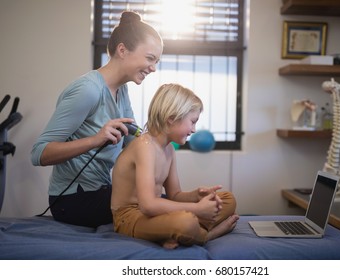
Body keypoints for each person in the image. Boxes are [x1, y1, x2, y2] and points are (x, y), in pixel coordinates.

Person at [31, 11, 163, 228]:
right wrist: (95, 139)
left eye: (156, 61)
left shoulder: (122, 91)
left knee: (162, 202)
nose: (153, 68)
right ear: (122, 50)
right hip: (72, 201)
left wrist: (161, 137)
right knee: (160, 207)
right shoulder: (88, 90)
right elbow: (38, 154)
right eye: (150, 58)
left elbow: (133, 139)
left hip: (102, 190)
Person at [111, 83, 239, 249]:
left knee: (227, 199)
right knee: (185, 221)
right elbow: (148, 205)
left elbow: (174, 194)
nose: (193, 130)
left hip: (154, 212)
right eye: (192, 122)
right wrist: (197, 209)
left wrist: (197, 195)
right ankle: (206, 235)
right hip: (130, 217)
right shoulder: (144, 146)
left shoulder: (169, 149)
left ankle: (172, 234)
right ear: (171, 117)